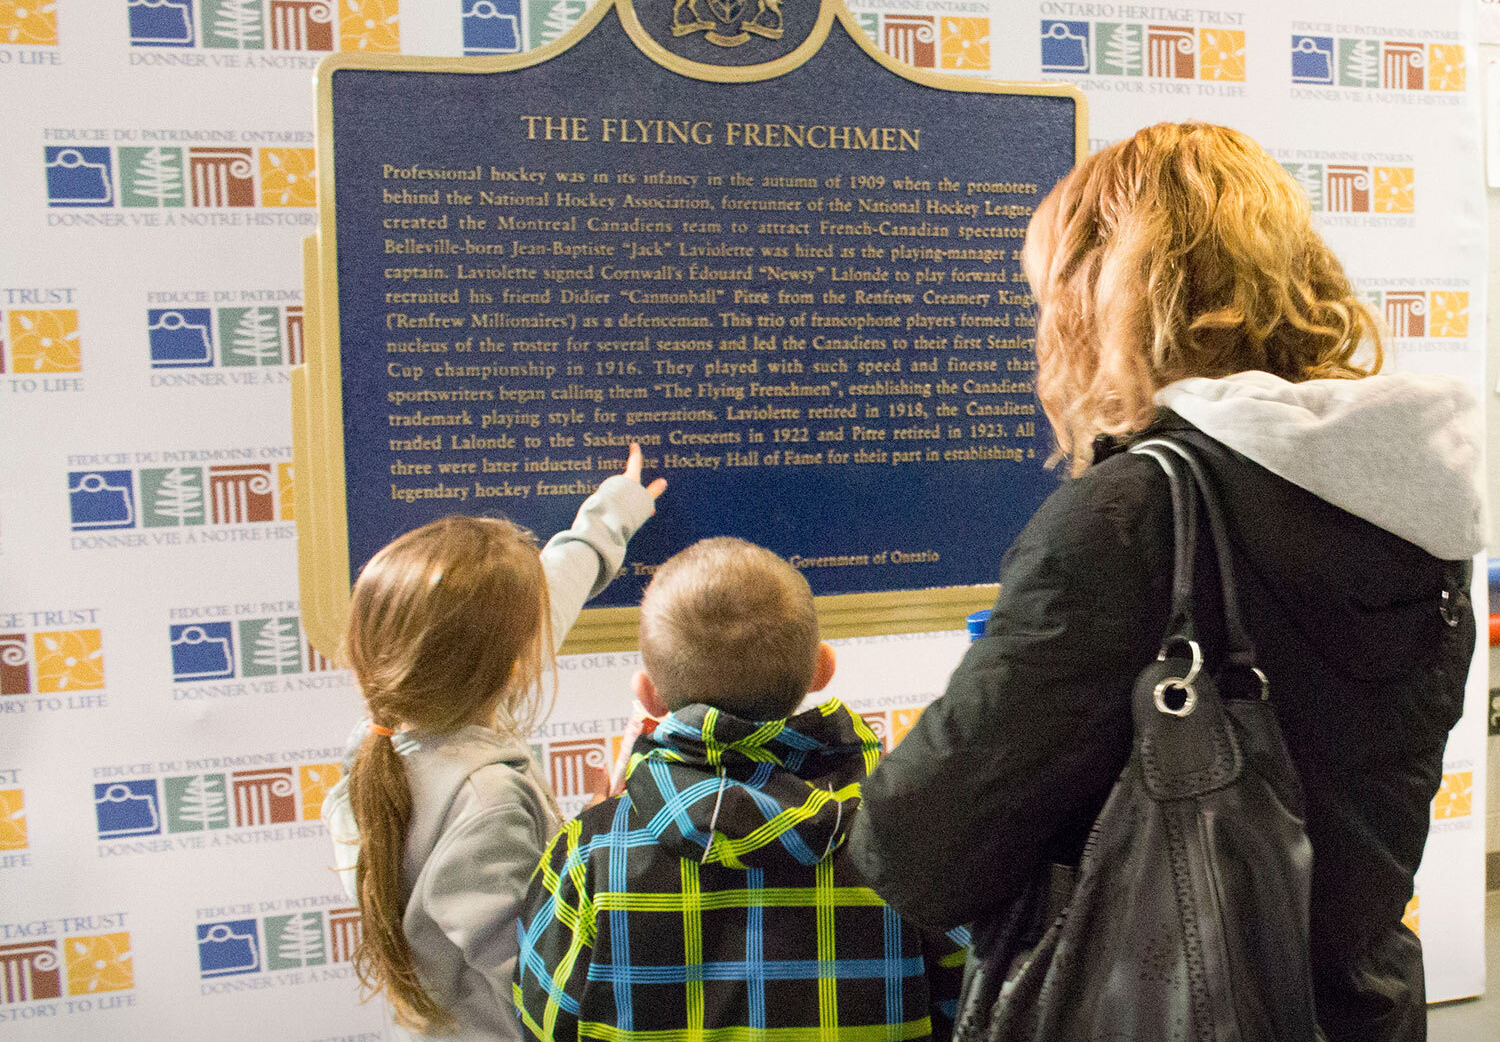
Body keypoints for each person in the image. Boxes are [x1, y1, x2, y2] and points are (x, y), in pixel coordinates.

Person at [846, 122, 1482, 1042]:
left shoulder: (1132, 514)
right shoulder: (1415, 502)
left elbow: (918, 853)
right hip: (1360, 1005)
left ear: (1102, 298)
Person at [512, 537, 969, 1040]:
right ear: (823, 668)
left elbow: (543, 1022)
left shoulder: (590, 854)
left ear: (649, 694)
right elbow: (968, 1006)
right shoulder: (913, 842)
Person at [321, 445, 666, 1040]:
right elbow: (538, 987)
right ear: (511, 668)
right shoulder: (487, 802)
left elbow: (538, 608)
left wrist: (610, 518)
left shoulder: (386, 745)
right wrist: (592, 845)